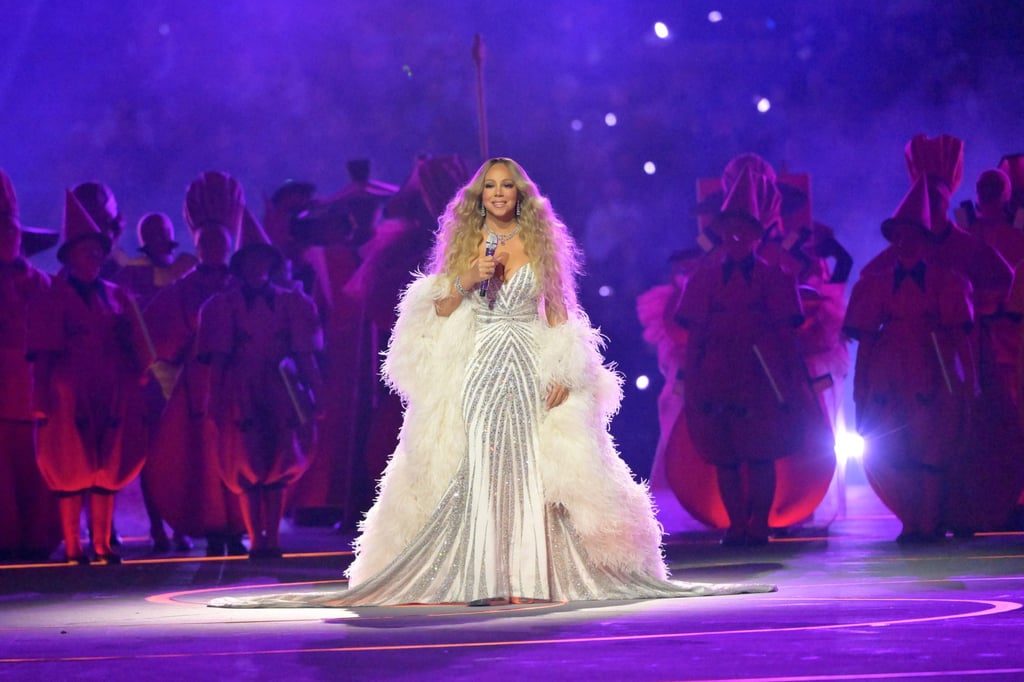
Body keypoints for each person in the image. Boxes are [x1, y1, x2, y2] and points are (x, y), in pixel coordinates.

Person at [211, 157, 774, 608]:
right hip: (481, 365)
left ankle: (530, 570)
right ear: (480, 196)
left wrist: (564, 372)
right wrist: (467, 277)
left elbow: (558, 314)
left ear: (521, 194)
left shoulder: (542, 247)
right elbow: (442, 306)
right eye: (492, 187)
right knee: (481, 467)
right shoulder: (465, 248)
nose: (500, 194)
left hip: (528, 363)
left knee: (531, 469)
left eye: (509, 186)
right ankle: (479, 569)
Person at [675, 166, 828, 547]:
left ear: (759, 234)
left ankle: (758, 522)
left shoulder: (776, 278)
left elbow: (789, 337)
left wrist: (793, 382)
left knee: (761, 451)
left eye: (745, 228)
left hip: (761, 375)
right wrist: (690, 377)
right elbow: (693, 334)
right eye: (730, 228)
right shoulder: (704, 278)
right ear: (721, 231)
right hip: (718, 373)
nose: (737, 236)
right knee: (725, 452)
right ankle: (736, 523)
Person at [843, 175, 973, 543]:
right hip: (889, 373)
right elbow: (865, 340)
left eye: (912, 234)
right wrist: (860, 385)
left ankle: (929, 521)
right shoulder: (875, 284)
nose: (905, 242)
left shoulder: (947, 281)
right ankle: (910, 520)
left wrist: (969, 381)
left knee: (932, 446)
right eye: (899, 235)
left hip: (932, 368)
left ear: (925, 241)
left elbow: (961, 335)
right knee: (896, 450)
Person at [28, 191, 151, 564]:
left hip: (110, 391)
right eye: (87, 252)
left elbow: (136, 343)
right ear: (70, 256)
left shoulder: (116, 295)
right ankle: (72, 544)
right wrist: (41, 399)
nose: (94, 258)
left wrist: (138, 379)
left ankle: (103, 543)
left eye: (98, 252)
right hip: (68, 394)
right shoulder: (52, 296)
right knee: (69, 467)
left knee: (107, 467)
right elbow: (43, 352)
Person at [197, 210, 323, 560]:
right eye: (250, 261)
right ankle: (256, 539)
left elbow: (305, 353)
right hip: (243, 390)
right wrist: (215, 401)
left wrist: (316, 393)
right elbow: (218, 360)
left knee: (281, 460)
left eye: (262, 260)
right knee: (247, 462)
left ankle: (274, 539)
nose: (257, 267)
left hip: (282, 389)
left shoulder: (292, 302)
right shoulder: (222, 307)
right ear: (240, 266)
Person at [143, 171, 247, 557]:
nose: (215, 248)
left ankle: (240, 525)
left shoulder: (242, 283)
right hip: (199, 387)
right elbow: (156, 338)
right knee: (204, 458)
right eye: (208, 241)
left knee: (239, 452)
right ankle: (213, 526)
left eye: (221, 240)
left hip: (237, 384)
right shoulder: (185, 287)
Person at [0, 169, 60, 562]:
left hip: (33, 392)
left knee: (38, 470)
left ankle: (39, 538)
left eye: (11, 232)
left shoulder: (41, 283)